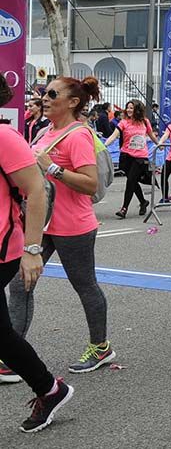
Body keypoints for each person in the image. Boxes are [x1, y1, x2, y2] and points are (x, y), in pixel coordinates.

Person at [8, 76, 116, 374]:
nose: (44, 97)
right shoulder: (44, 131)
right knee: (20, 285)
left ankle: (101, 346)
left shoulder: (79, 135)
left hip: (73, 225)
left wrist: (52, 167)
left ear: (73, 102)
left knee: (84, 285)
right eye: (44, 92)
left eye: (52, 93)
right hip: (41, 224)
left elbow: (90, 183)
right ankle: (14, 356)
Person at [0, 118, 75, 433]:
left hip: (2, 248)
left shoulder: (4, 137)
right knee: (2, 336)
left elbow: (36, 189)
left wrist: (33, 250)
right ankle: (50, 389)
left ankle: (50, 389)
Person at [103, 100, 155, 219]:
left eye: (132, 108)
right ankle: (143, 201)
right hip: (126, 156)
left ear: (138, 109)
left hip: (140, 157)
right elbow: (114, 135)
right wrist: (104, 145)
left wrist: (160, 144)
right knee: (133, 181)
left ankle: (124, 209)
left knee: (131, 180)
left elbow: (151, 135)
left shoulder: (145, 122)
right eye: (128, 108)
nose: (129, 110)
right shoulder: (124, 122)